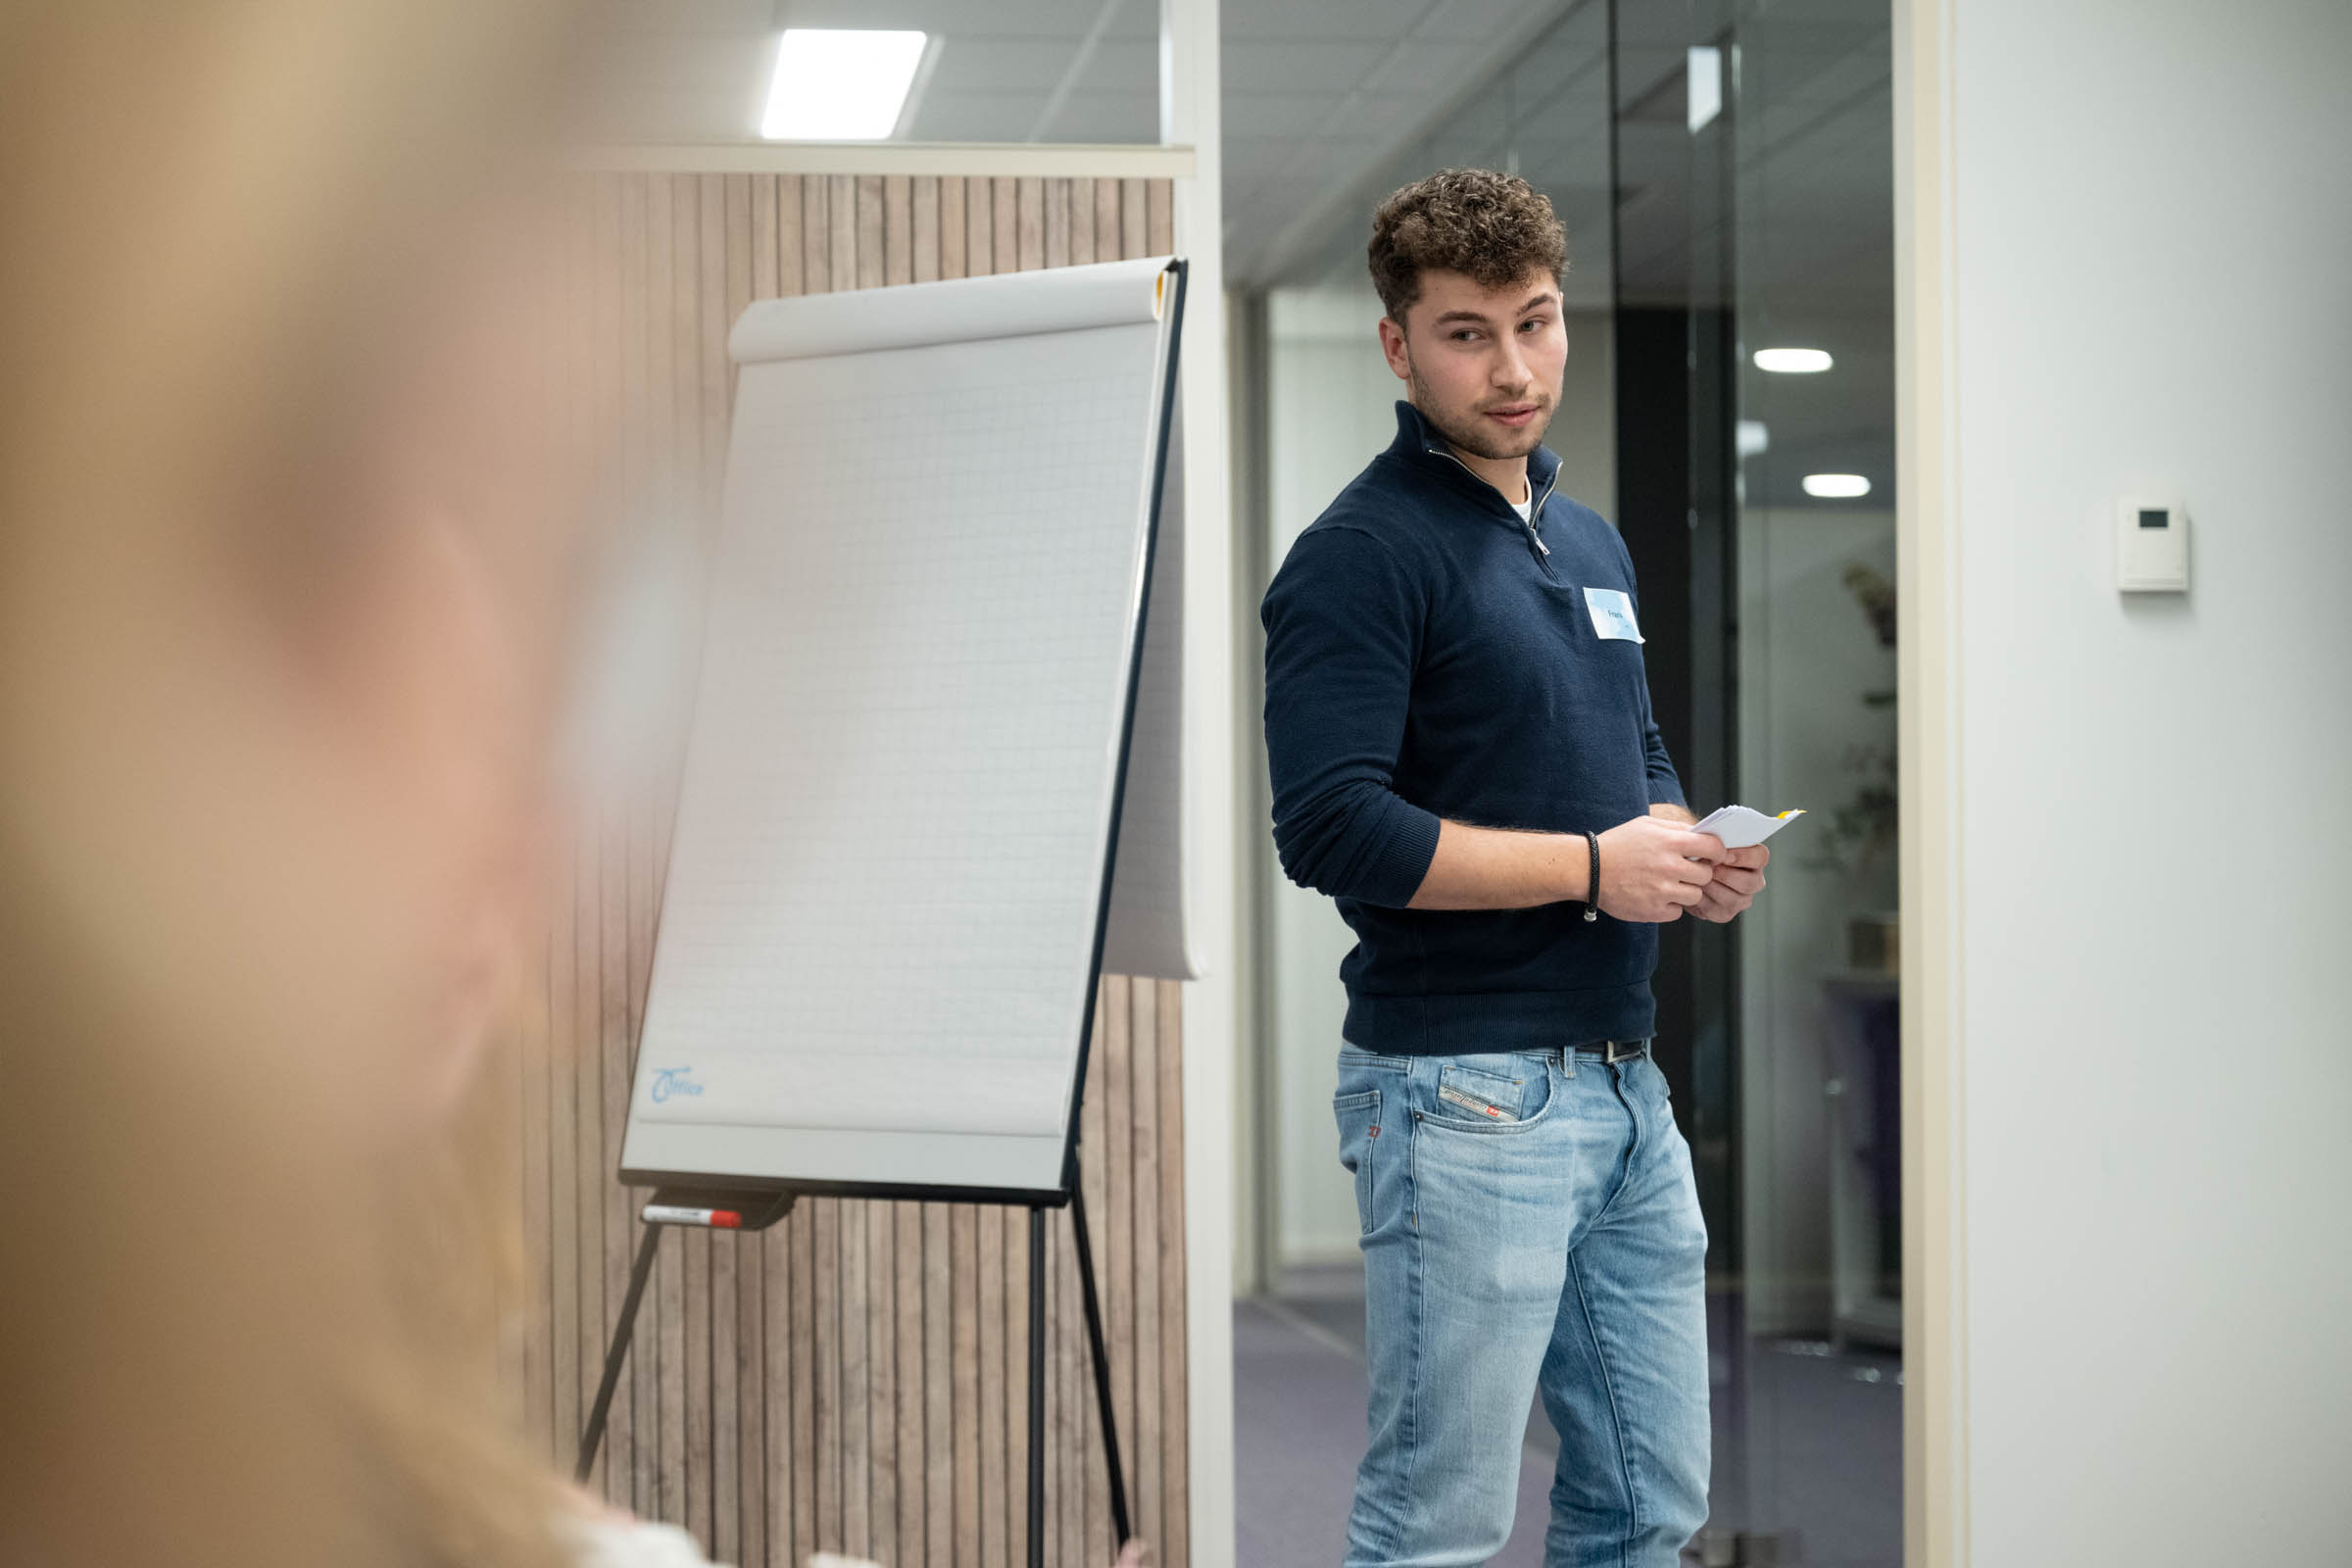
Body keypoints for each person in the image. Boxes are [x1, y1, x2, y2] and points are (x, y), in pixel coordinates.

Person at [1258, 169, 1771, 1568]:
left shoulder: (1587, 538)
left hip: (1625, 1082)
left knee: (1650, 1509)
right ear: (1399, 346)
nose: (1513, 369)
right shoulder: (1359, 556)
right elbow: (1332, 828)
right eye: (1467, 334)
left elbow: (1633, 749)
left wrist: (1680, 849)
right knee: (1438, 1525)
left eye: (1535, 323)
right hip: (1461, 1093)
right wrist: (1594, 868)